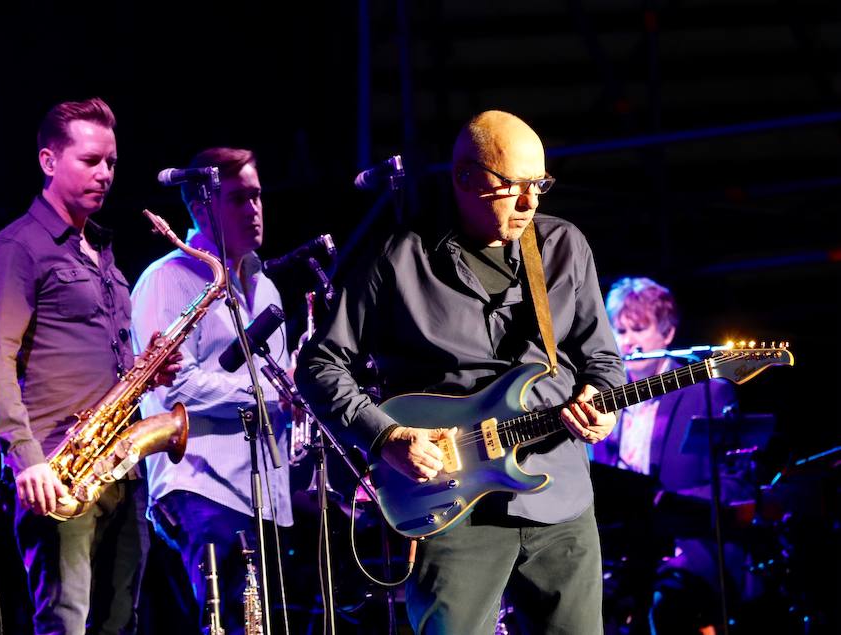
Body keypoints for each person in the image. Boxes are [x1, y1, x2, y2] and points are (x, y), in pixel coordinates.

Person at [295, 110, 625, 634]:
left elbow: (602, 358)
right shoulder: (397, 257)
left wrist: (601, 401)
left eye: (539, 185)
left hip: (559, 498)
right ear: (466, 179)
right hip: (450, 504)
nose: (530, 203)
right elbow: (319, 364)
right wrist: (385, 437)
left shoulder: (563, 246)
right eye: (512, 187)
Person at [0, 97, 179, 634]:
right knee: (66, 624)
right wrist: (26, 458)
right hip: (58, 473)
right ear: (48, 161)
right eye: (90, 161)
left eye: (111, 162)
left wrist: (145, 370)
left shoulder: (102, 253)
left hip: (121, 469)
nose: (105, 174)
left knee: (119, 623)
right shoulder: (17, 249)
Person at [130, 147, 293, 634]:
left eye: (258, 196)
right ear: (202, 206)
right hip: (201, 486)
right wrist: (265, 391)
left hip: (260, 490)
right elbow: (175, 386)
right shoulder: (166, 279)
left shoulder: (265, 285)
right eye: (239, 199)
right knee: (226, 623)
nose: (254, 209)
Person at [593, 277, 747, 634]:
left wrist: (669, 506)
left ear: (666, 335)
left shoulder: (706, 393)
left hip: (687, 548)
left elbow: (734, 483)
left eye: (638, 328)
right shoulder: (603, 402)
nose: (627, 341)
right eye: (620, 330)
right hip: (621, 553)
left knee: (666, 608)